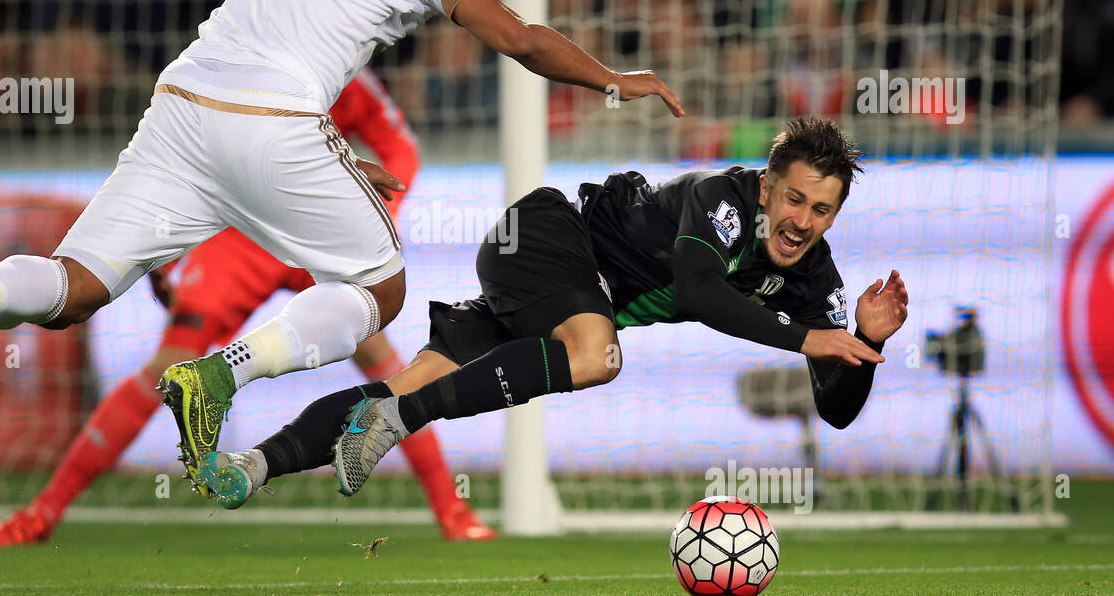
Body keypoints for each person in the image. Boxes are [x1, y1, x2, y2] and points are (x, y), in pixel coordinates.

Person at [0, 0, 682, 501]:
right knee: (380, 287)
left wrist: (318, 153)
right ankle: (218, 376)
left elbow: (286, 26)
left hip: (183, 106)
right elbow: (517, 37)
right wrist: (614, 79)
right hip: (270, 121)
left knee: (77, 287)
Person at [187, 118, 909, 507]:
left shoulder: (818, 279)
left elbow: (837, 409)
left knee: (410, 384)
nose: (801, 222)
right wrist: (811, 335)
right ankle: (401, 421)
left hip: (555, 294)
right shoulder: (721, 195)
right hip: (547, 236)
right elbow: (696, 289)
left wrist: (862, 344)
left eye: (821, 211)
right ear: (767, 187)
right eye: (793, 200)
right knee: (598, 357)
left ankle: (252, 466)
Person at [0, 69, 494, 544]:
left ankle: (452, 512)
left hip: (316, 232)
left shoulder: (342, 66)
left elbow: (399, 147)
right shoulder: (225, 64)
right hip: (240, 237)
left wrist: (377, 215)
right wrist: (162, 252)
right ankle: (43, 513)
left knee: (384, 361)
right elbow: (180, 161)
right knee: (165, 368)